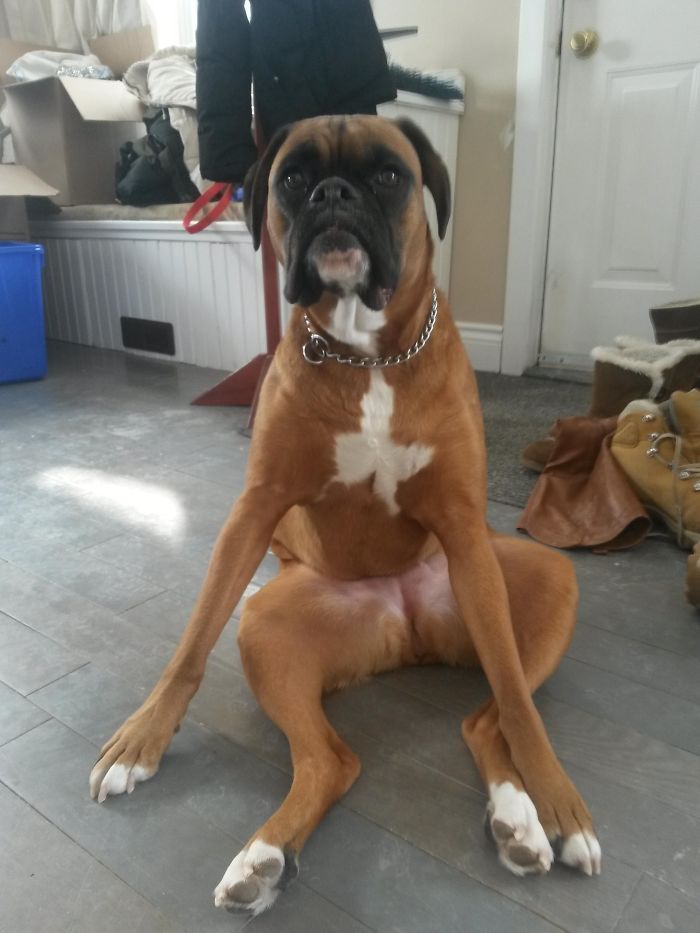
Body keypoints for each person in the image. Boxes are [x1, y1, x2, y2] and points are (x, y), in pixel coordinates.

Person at [196, 0, 396, 185]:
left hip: (346, 83)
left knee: (361, 202)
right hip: (292, 93)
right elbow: (219, 32)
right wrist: (228, 157)